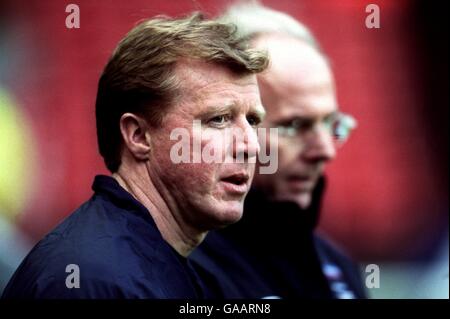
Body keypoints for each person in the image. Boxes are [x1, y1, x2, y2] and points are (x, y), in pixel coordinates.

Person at [2, 12, 268, 298]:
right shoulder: (91, 281)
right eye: (218, 119)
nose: (251, 146)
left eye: (252, 121)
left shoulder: (170, 266)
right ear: (138, 136)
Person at [190, 3, 366, 299]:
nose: (324, 151)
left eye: (330, 123)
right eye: (295, 125)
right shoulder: (178, 269)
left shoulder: (339, 267)